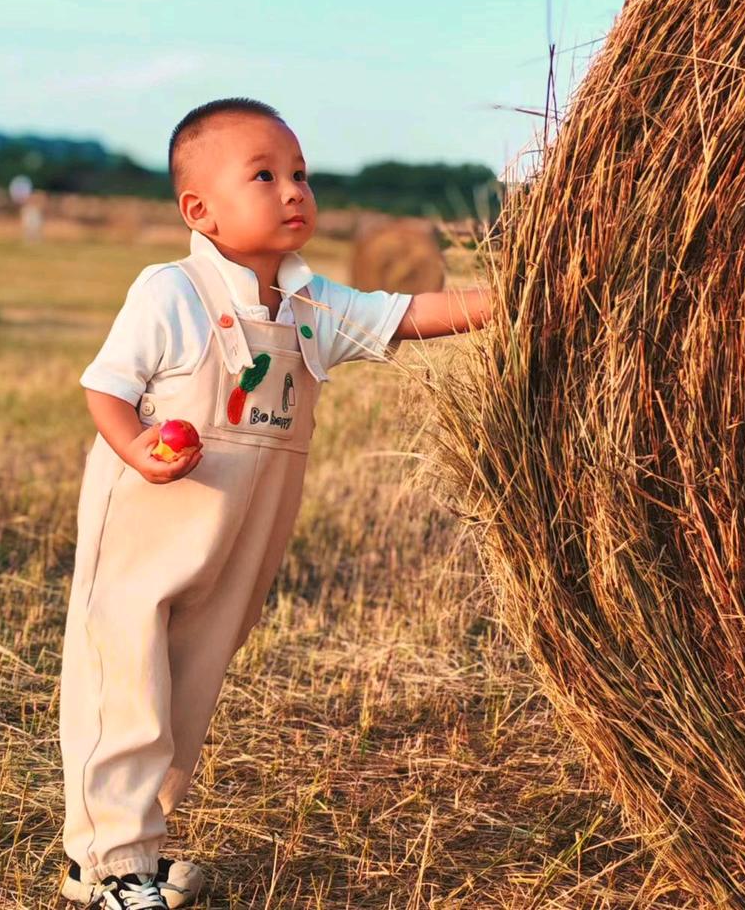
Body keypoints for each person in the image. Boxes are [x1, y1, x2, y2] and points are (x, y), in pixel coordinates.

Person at [57, 97, 492, 908]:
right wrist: (138, 451)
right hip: (151, 526)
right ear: (201, 210)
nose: (293, 190)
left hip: (238, 540)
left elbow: (412, 314)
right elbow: (105, 389)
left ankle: (137, 850)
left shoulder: (312, 306)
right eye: (265, 175)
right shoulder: (171, 292)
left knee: (188, 691)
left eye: (301, 174)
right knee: (126, 684)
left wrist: (526, 297)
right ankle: (105, 865)